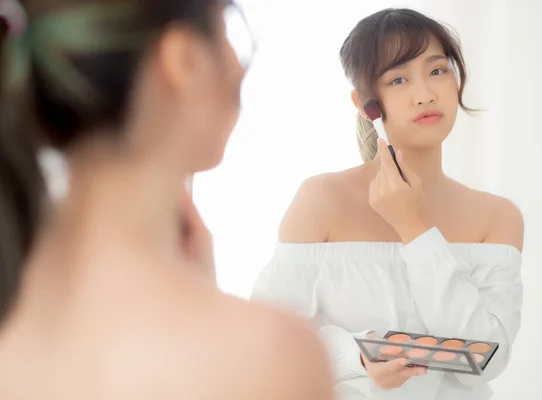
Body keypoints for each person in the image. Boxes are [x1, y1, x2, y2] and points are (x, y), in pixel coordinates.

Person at [0, 1, 334, 398]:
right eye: (228, 28)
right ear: (184, 60)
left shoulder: (16, 310)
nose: (239, 66)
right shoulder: (270, 356)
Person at [251, 7, 524, 400]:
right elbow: (269, 338)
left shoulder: (497, 217)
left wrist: (415, 231)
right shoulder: (322, 200)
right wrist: (358, 357)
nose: (425, 93)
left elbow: (487, 363)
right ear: (366, 105)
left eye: (437, 70)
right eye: (398, 79)